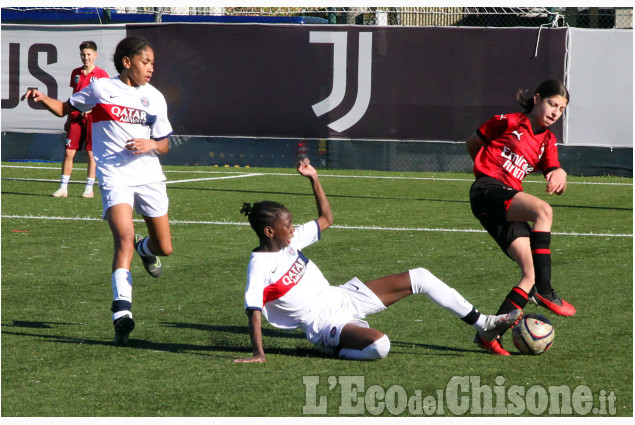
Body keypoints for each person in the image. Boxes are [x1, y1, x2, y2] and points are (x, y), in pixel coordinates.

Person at [235, 157, 522, 362]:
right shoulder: (259, 265)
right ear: (269, 231)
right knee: (380, 346)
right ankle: (331, 347)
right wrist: (259, 353)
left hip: (341, 296)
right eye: (289, 226)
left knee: (419, 276)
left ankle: (483, 323)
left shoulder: (290, 242)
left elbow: (327, 219)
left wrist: (314, 178)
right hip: (321, 322)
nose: (294, 229)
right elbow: (254, 311)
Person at [23, 36, 174, 345]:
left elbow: (165, 144)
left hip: (149, 177)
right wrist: (42, 97)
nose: (151, 69)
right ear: (128, 62)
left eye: (153, 63)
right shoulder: (101, 89)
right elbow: (66, 108)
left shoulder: (155, 97)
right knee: (122, 238)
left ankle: (145, 249)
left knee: (164, 247)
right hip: (115, 175)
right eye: (146, 62)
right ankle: (122, 313)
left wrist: (151, 144)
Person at [465, 79, 576, 356]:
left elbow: (553, 167)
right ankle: (546, 290)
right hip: (488, 191)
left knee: (528, 273)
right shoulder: (508, 122)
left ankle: (490, 334)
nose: (555, 112)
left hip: (506, 202)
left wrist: (559, 173)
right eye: (552, 104)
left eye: (561, 109)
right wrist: (486, 170)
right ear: (537, 99)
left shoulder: (548, 141)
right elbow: (473, 143)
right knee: (543, 210)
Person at [52, 41, 109, 198]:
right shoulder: (76, 73)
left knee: (91, 153)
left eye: (89, 54)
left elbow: (104, 98)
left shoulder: (101, 75)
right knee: (69, 152)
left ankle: (88, 188)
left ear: (95, 56)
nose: (86, 57)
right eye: (83, 55)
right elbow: (74, 96)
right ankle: (63, 187)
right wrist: (68, 117)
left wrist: (91, 109)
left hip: (92, 118)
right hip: (76, 117)